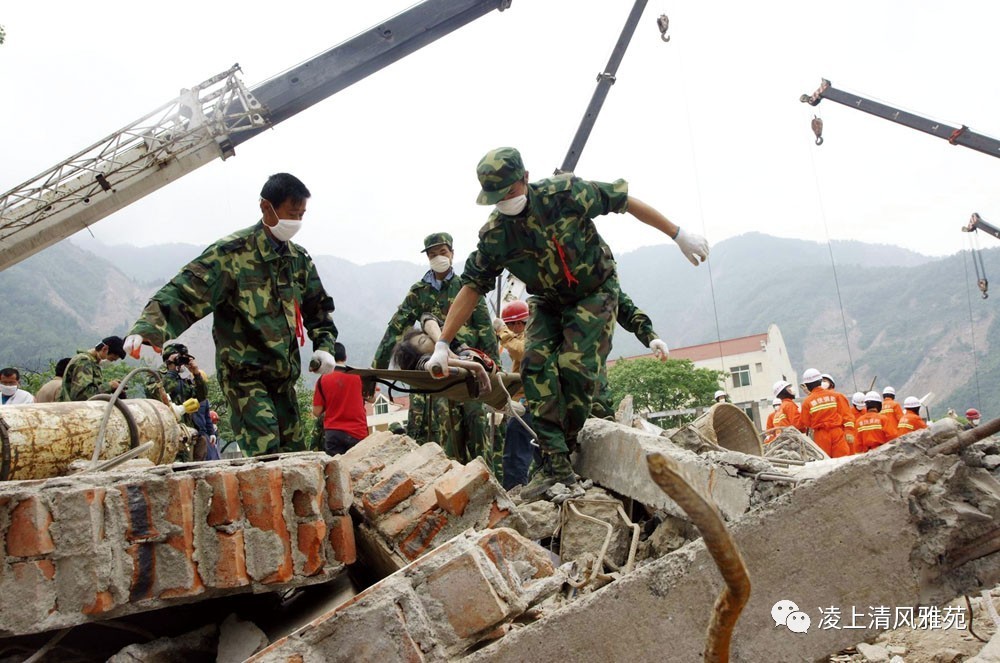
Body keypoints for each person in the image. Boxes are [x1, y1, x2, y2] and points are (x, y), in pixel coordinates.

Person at [428, 147, 709, 500]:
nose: (505, 202)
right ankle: (554, 466)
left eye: (510, 193)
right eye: (497, 198)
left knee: (574, 366)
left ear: (525, 179)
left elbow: (623, 201)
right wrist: (443, 344)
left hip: (594, 290)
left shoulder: (565, 194)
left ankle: (576, 453)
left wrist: (677, 233)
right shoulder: (496, 235)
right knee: (534, 367)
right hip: (548, 300)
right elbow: (471, 287)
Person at [123, 173, 338, 456]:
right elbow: (186, 289)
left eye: (301, 214)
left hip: (283, 379)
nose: (296, 221)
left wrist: (324, 346)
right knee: (267, 456)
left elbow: (317, 306)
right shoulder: (231, 254)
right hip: (245, 376)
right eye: (291, 213)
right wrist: (148, 326)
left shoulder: (297, 260)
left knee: (294, 455)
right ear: (266, 207)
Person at [372, 232, 500, 471]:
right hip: (435, 374)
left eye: (443, 252)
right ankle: (447, 484)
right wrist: (374, 373)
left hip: (468, 368)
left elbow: (485, 331)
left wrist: (496, 372)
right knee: (442, 436)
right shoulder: (419, 293)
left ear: (452, 253)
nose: (438, 257)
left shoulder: (466, 288)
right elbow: (394, 332)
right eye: (433, 254)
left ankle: (486, 481)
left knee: (477, 427)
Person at [591, 282, 669, 420]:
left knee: (599, 415)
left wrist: (650, 336)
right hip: (553, 371)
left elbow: (627, 309)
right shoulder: (549, 277)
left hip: (592, 371)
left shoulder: (602, 277)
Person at [493, 299, 537, 489]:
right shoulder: (524, 336)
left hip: (529, 402)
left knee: (515, 452)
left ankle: (514, 490)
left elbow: (522, 352)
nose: (510, 329)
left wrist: (502, 331)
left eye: (511, 325)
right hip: (528, 400)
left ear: (519, 323)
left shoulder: (531, 338)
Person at [144, 342, 210, 461]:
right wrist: (171, 370)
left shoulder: (185, 382)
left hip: (185, 435)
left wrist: (196, 373)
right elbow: (155, 393)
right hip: (165, 434)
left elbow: (202, 396)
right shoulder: (156, 376)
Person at [312, 342, 369, 456]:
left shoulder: (322, 380)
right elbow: (371, 398)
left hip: (334, 433)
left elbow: (316, 412)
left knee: (336, 469)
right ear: (345, 357)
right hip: (358, 432)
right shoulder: (359, 376)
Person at [798, 368, 851, 458]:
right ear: (820, 381)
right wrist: (849, 431)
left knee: (825, 461)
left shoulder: (807, 402)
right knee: (842, 460)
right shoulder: (836, 396)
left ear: (807, 385)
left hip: (820, 435)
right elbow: (847, 415)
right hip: (837, 432)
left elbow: (806, 422)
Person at [60, 336, 126, 402]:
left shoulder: (93, 363)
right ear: (104, 349)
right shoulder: (83, 361)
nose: (110, 362)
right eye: (111, 359)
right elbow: (81, 396)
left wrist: (113, 386)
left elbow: (93, 390)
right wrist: (109, 386)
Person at [820, 373, 857, 453]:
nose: (822, 383)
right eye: (821, 381)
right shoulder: (817, 399)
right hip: (823, 435)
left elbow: (847, 415)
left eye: (825, 381)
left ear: (831, 384)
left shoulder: (837, 396)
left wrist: (849, 431)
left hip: (839, 432)